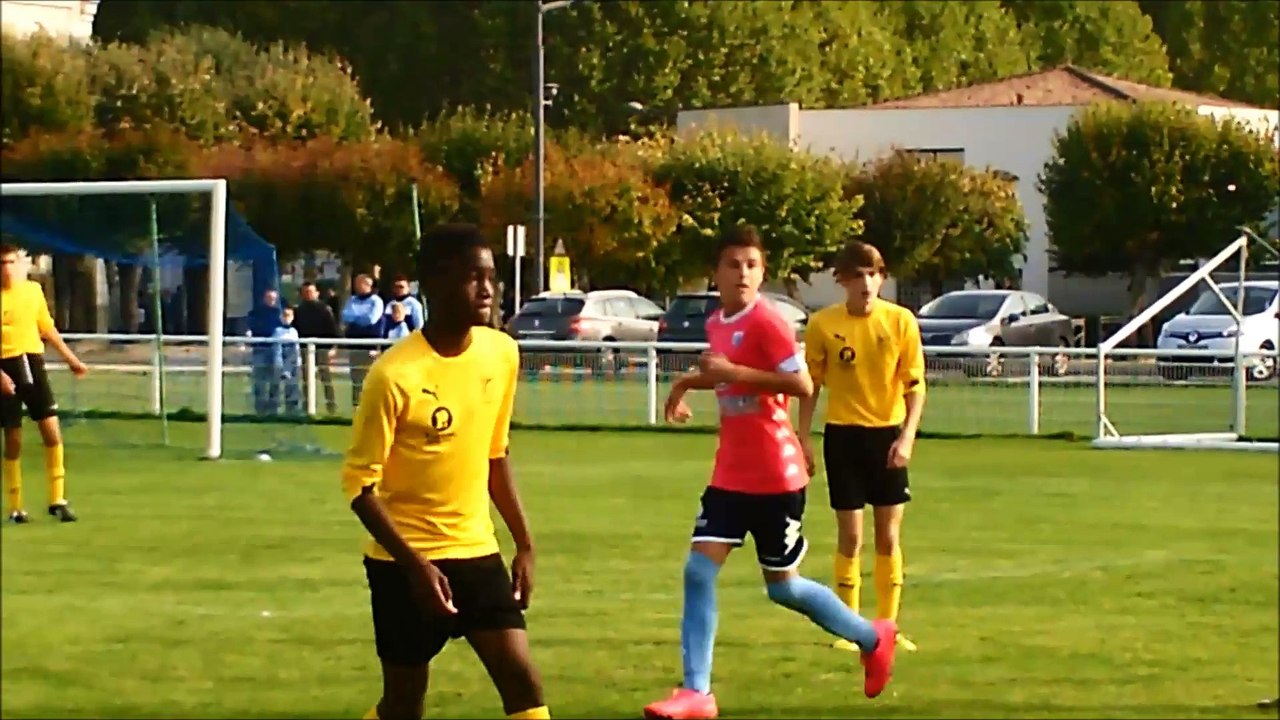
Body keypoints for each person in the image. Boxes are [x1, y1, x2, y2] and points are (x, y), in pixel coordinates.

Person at [643, 226, 897, 720]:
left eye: (751, 265)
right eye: (733, 264)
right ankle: (697, 692)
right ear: (715, 273)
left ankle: (871, 636)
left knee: (784, 587)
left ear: (762, 273)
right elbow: (723, 369)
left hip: (776, 476)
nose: (742, 273)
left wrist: (732, 375)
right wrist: (685, 385)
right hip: (730, 474)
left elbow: (800, 383)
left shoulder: (769, 322)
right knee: (698, 570)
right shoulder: (718, 320)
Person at [341, 223, 548, 720]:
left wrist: (524, 543)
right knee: (404, 703)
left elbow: (495, 455)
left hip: (477, 552)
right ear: (433, 282)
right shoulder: (395, 375)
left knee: (522, 681)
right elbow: (359, 486)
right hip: (403, 566)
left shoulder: (501, 352)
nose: (486, 289)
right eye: (471, 277)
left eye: (491, 277)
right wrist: (415, 567)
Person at [797, 240, 927, 655]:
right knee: (850, 538)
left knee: (889, 536)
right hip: (843, 436)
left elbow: (915, 386)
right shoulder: (823, 325)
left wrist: (906, 437)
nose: (865, 283)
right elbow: (809, 386)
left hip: (887, 436)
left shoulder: (901, 321)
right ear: (842, 281)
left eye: (872, 274)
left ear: (882, 278)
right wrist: (802, 438)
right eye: (856, 276)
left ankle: (888, 628)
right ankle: (849, 628)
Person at [1, 243, 88, 524]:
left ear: (20, 264)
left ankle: (57, 499)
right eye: (2, 263)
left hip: (33, 362)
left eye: (11, 262)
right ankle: (15, 507)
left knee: (52, 429)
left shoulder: (32, 291)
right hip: (5, 366)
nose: (7, 269)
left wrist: (71, 359)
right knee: (13, 438)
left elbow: (47, 328)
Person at [294, 282, 340, 416]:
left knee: (325, 377)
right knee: (306, 378)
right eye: (305, 291)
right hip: (304, 349)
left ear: (317, 293)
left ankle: (331, 405)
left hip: (322, 348)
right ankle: (308, 405)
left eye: (311, 291)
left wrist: (333, 347)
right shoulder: (299, 310)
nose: (308, 294)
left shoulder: (324, 309)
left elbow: (333, 329)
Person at [342, 274, 385, 408]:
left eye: (360, 283)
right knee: (356, 377)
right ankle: (356, 407)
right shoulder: (352, 300)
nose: (357, 286)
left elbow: (372, 319)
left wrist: (356, 320)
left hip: (371, 345)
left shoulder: (376, 301)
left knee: (371, 376)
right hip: (354, 345)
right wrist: (359, 319)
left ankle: (372, 407)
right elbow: (345, 316)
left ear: (368, 285)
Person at [248, 288, 284, 415]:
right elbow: (253, 327)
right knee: (260, 380)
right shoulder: (256, 313)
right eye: (269, 298)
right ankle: (260, 408)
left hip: (276, 350)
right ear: (264, 298)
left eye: (273, 298)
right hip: (260, 349)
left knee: (275, 379)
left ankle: (273, 408)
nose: (271, 301)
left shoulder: (279, 313)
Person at [271, 307, 303, 416]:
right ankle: (273, 409)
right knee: (276, 385)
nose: (286, 318)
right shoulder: (277, 331)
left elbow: (297, 348)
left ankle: (292, 410)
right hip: (280, 360)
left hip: (293, 362)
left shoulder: (294, 331)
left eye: (289, 315)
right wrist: (279, 362)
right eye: (284, 315)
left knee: (292, 385)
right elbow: (277, 348)